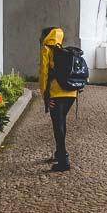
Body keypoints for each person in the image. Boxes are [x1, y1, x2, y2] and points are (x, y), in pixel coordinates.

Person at [39, 25, 77, 172]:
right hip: (71, 93)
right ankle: (58, 153)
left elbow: (43, 74)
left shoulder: (46, 49)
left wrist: (44, 94)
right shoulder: (64, 50)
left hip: (56, 94)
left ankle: (63, 160)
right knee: (61, 123)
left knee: (58, 125)